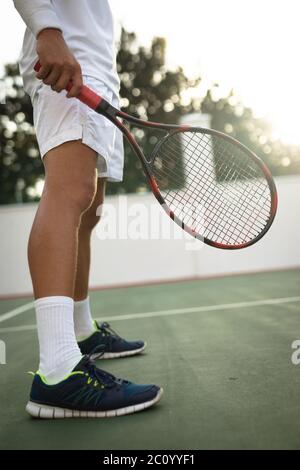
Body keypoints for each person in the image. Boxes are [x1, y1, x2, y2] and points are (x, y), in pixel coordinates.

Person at [13, 0, 163, 419]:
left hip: (93, 62)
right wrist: (46, 30)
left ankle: (81, 332)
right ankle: (58, 372)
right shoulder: (57, 37)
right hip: (68, 54)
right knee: (70, 191)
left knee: (89, 205)